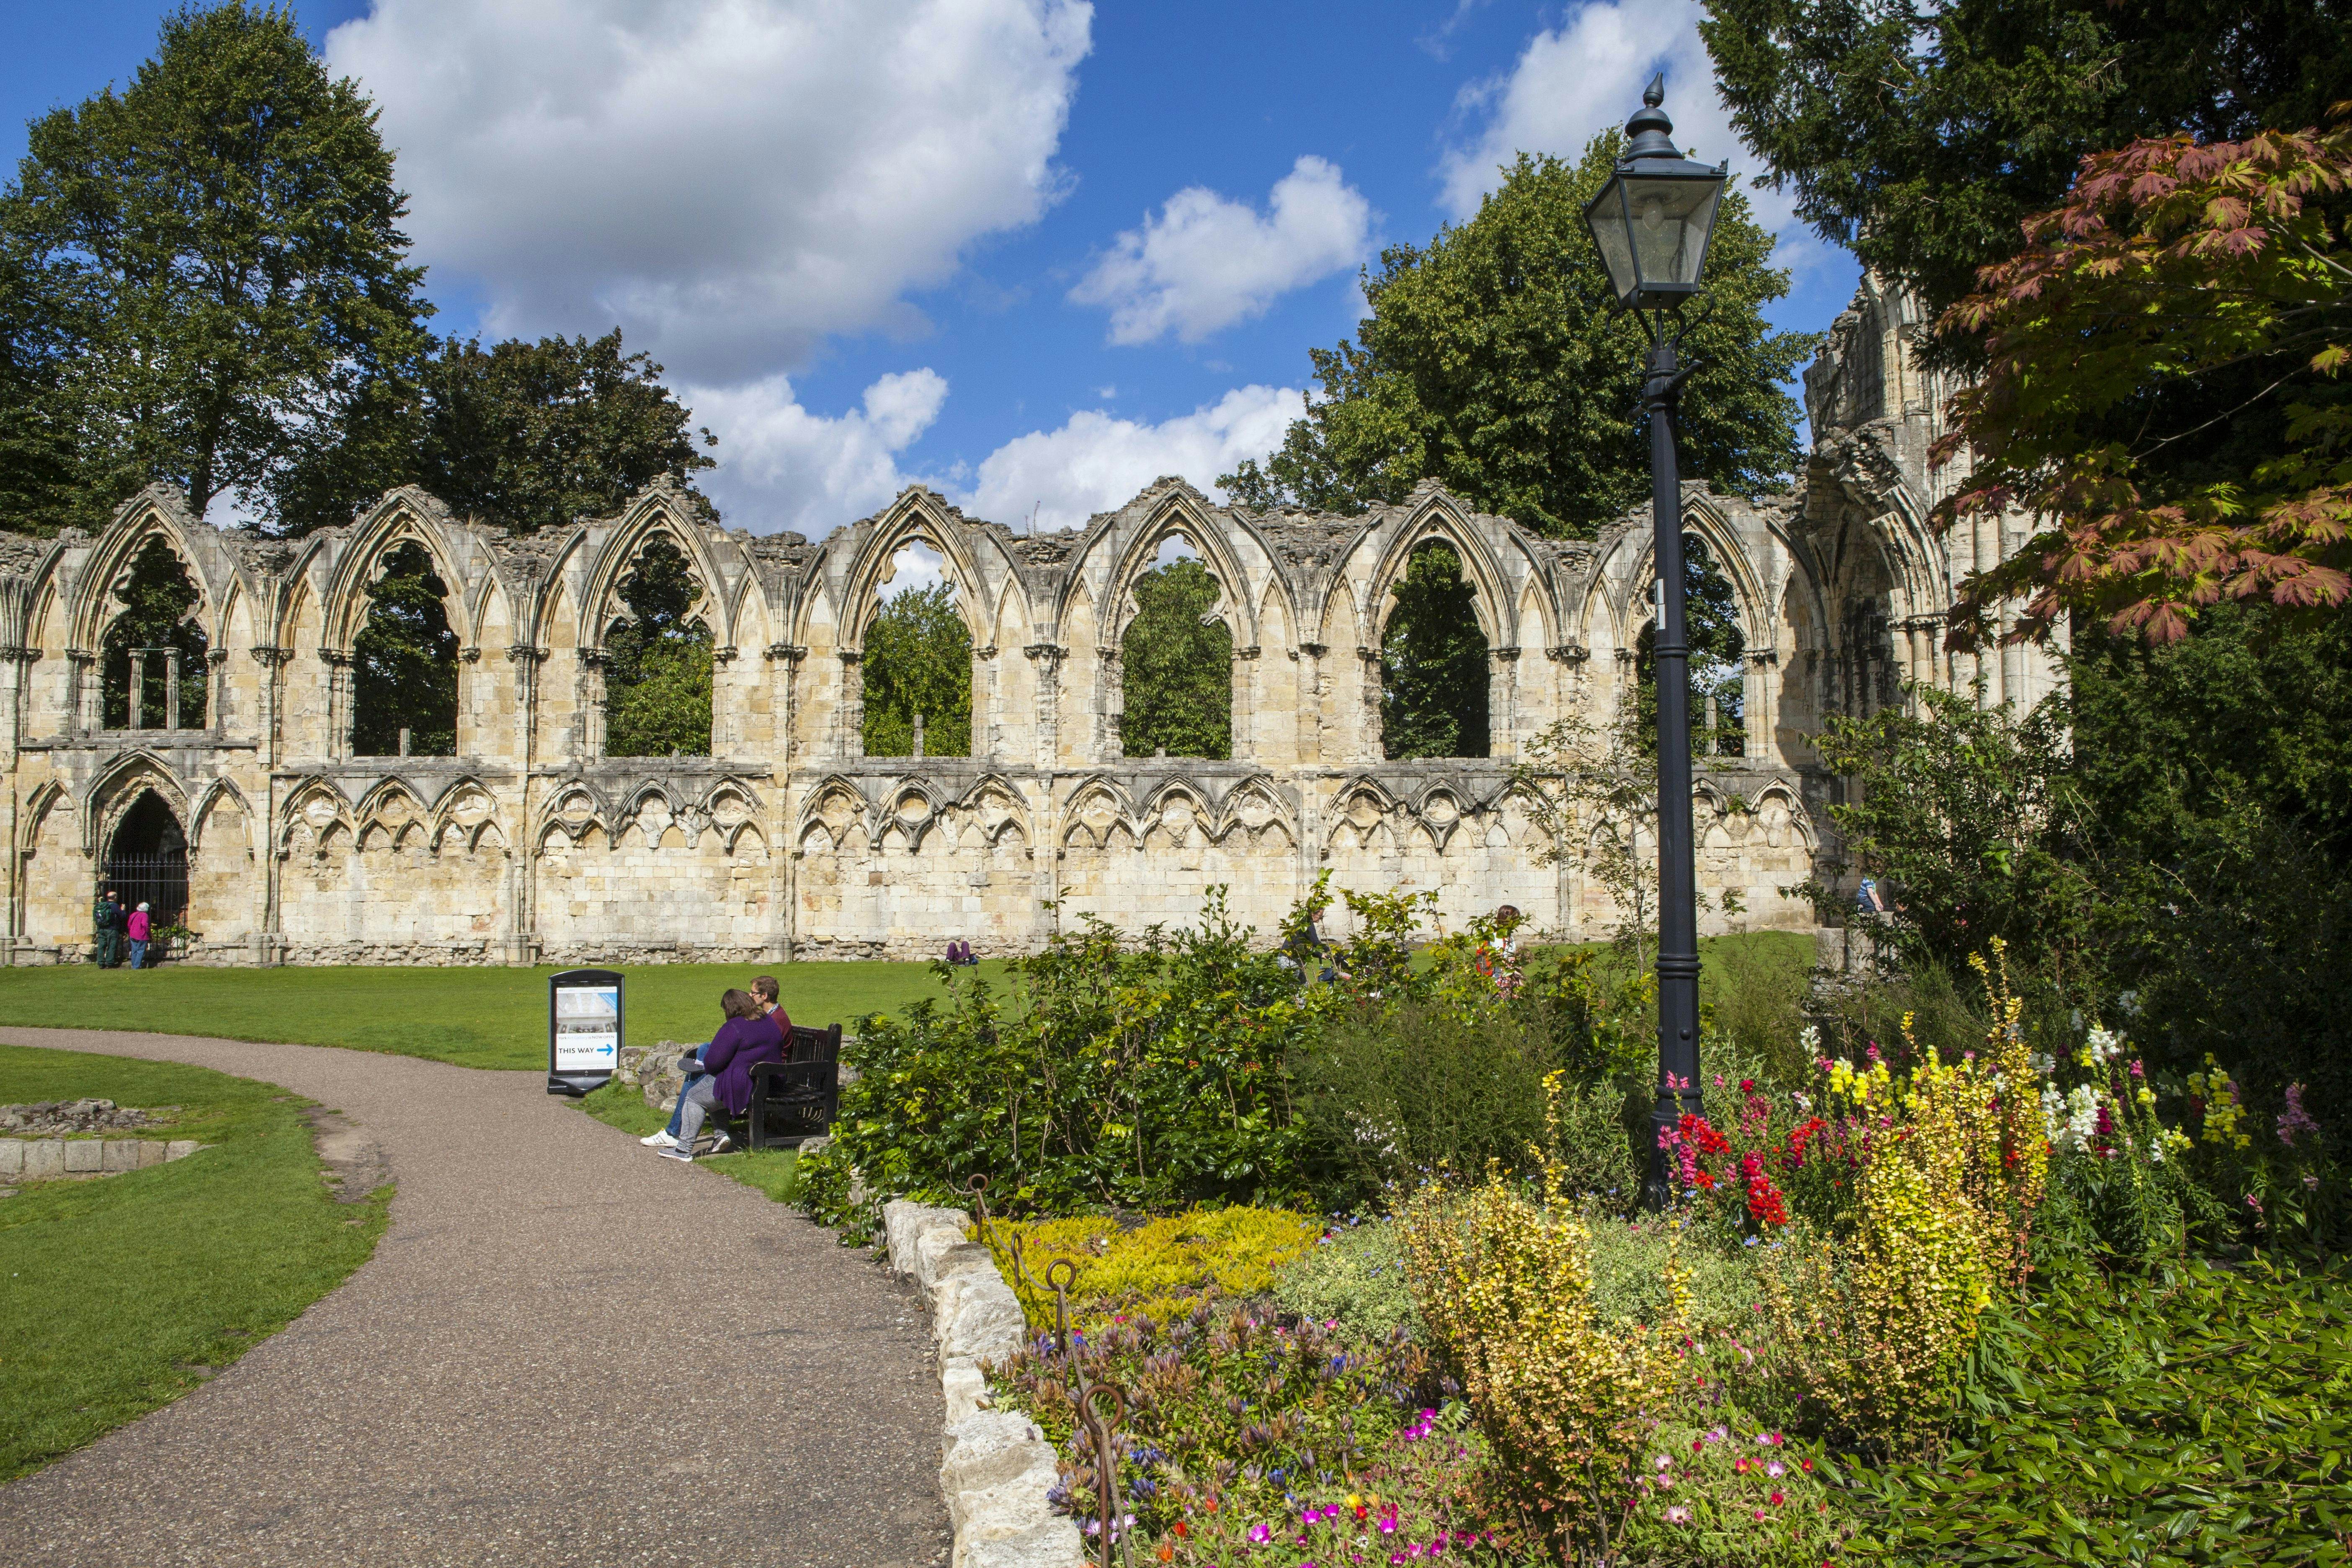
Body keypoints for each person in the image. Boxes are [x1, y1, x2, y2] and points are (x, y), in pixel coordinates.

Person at [643, 975, 792, 1152]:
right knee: (708, 1079)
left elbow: (716, 1063)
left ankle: (682, 1147)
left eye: (753, 993)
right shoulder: (766, 1019)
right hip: (759, 1075)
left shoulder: (743, 1024)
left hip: (756, 1079)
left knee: (695, 1094)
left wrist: (713, 1064)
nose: (751, 995)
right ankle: (720, 1135)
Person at [92, 890, 123, 969]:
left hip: (102, 928)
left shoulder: (102, 905)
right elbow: (122, 916)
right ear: (115, 897)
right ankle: (110, 963)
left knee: (101, 946)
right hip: (112, 929)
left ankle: (101, 963)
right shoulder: (115, 906)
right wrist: (123, 910)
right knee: (111, 945)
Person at [125, 901, 152, 970]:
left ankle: (134, 964)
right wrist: (148, 933)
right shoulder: (144, 915)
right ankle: (136, 966)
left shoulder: (134, 914)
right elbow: (145, 925)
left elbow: (129, 925)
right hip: (141, 936)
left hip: (133, 935)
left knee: (134, 950)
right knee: (140, 951)